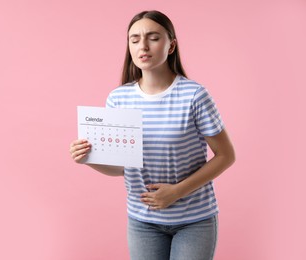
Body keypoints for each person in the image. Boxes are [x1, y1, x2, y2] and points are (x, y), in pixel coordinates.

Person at [69, 10, 235, 260]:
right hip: (142, 221)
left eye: (153, 38)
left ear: (171, 46)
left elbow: (226, 156)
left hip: (194, 220)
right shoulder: (118, 98)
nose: (143, 46)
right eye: (134, 39)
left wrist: (177, 191)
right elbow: (123, 167)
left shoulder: (194, 95)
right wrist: (89, 159)